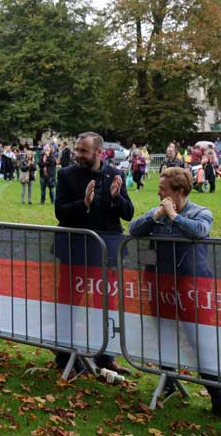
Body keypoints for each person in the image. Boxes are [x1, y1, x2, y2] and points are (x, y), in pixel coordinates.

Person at [128, 168, 221, 425]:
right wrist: (157, 215)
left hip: (190, 289)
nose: (158, 192)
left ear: (179, 192)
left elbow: (199, 231)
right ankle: (169, 381)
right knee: (164, 336)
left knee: (199, 343)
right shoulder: (157, 213)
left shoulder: (201, 212)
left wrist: (174, 216)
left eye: (163, 189)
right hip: (160, 287)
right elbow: (134, 229)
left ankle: (218, 400)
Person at [54, 131, 134, 377]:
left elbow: (128, 213)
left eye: (83, 151)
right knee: (68, 304)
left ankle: (105, 355)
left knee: (106, 306)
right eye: (77, 150)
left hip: (106, 254)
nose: (78, 154)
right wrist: (84, 204)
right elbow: (61, 212)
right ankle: (65, 355)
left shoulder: (115, 174)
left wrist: (116, 197)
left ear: (99, 152)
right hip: (75, 251)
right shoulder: (66, 175)